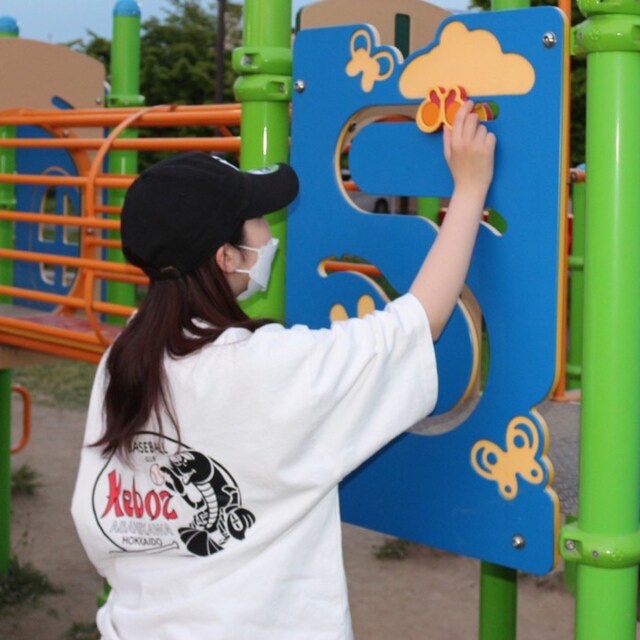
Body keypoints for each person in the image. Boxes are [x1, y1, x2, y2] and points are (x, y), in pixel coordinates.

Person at [71, 100, 495, 640]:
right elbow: (416, 324)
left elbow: (99, 522)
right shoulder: (266, 368)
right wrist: (470, 189)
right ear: (228, 258)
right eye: (257, 219)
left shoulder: (126, 355)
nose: (268, 231)